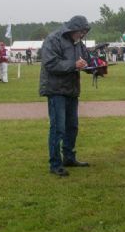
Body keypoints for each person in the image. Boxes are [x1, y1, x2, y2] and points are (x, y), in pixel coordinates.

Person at [39, 15, 92, 177]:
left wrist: (95, 67)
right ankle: (55, 164)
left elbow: (86, 60)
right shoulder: (53, 39)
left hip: (71, 90)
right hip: (56, 90)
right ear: (72, 29)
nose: (82, 35)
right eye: (80, 32)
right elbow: (50, 63)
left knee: (72, 126)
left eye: (84, 32)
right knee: (58, 128)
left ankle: (69, 157)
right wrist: (73, 65)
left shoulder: (78, 43)